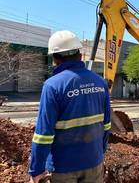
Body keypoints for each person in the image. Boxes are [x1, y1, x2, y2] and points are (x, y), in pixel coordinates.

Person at [28, 30, 111, 183]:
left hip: (63, 168)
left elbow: (43, 135)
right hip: (94, 163)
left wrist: (36, 169)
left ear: (56, 59)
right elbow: (106, 125)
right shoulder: (101, 82)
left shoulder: (52, 86)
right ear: (80, 55)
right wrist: (99, 153)